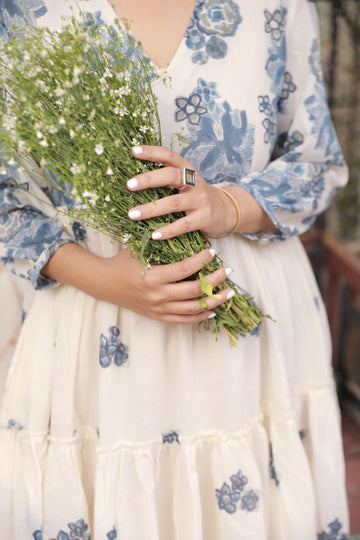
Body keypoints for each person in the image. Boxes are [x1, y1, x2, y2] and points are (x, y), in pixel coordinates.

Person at [0, 0, 350, 538]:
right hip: (94, 337)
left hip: (250, 346)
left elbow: (317, 165)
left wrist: (226, 207)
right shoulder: (20, 10)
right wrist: (103, 278)